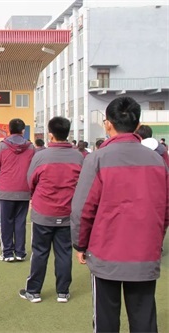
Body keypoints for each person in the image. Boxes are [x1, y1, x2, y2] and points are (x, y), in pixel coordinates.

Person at [71, 96, 168, 333]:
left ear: (108, 124)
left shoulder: (98, 158)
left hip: (106, 252)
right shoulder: (157, 160)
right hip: (144, 251)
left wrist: (80, 244)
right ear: (137, 125)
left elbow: (83, 208)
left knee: (105, 320)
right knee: (144, 319)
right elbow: (165, 209)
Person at [19, 117, 83, 303]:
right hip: (66, 212)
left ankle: (34, 291)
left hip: (44, 212)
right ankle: (63, 291)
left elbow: (31, 181)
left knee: (40, 252)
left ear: (50, 134)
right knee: (64, 253)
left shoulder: (41, 156)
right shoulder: (78, 156)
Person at [0, 118, 35, 262]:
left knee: (5, 223)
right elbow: (34, 170)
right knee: (20, 222)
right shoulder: (31, 148)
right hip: (24, 190)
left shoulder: (2, 147)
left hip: (5, 191)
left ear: (9, 130)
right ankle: (20, 252)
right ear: (23, 131)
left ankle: (7, 252)